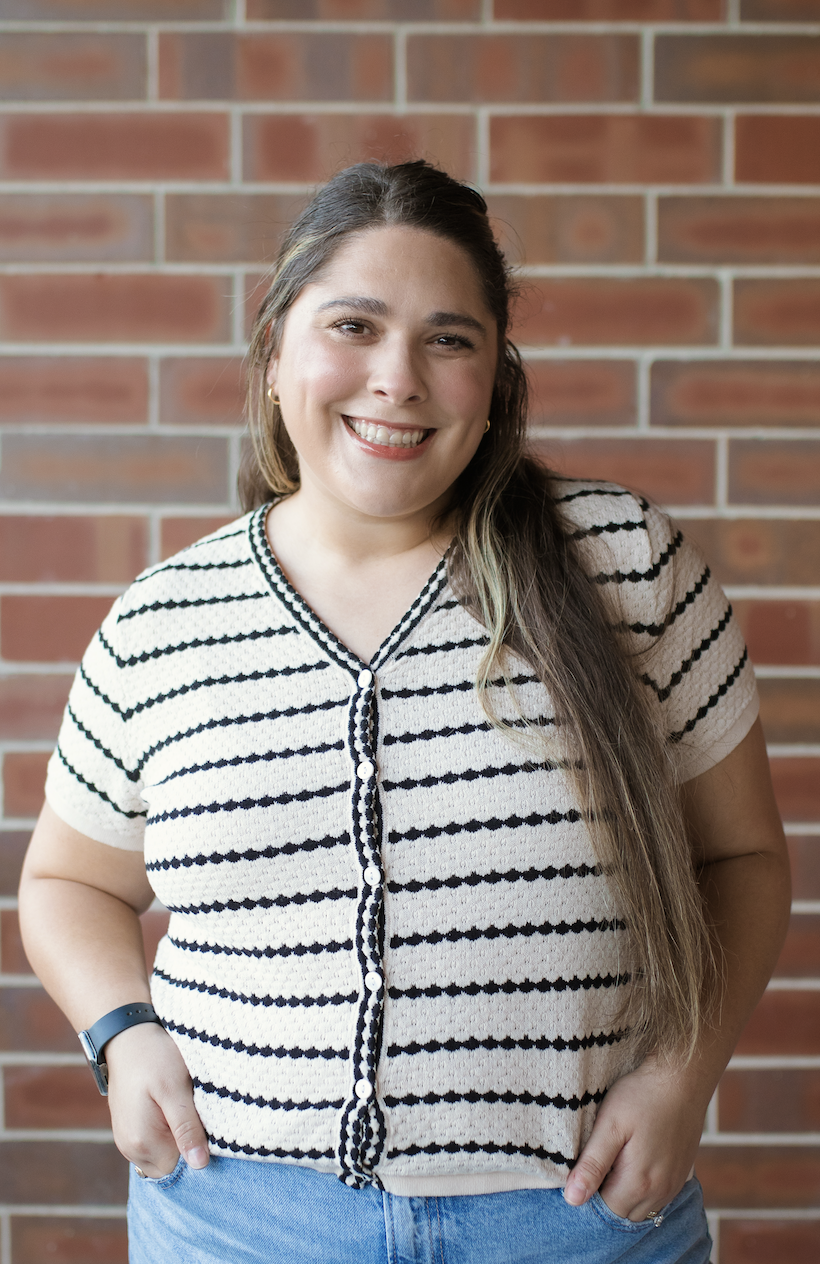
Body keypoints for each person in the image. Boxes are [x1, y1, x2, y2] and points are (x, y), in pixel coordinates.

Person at [19, 161, 789, 1264]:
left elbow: (744, 859)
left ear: (494, 379)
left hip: (572, 1221)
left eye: (448, 338)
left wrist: (682, 1076)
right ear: (277, 351)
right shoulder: (163, 620)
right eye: (354, 325)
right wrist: (121, 1034)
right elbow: (68, 881)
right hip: (239, 1219)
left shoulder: (623, 565)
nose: (398, 379)